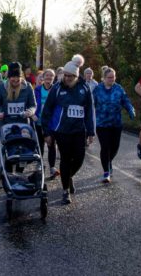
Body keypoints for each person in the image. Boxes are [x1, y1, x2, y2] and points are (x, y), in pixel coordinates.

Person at [41, 54, 96, 205]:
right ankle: (65, 191)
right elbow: (47, 111)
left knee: (79, 158)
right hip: (61, 130)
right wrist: (47, 132)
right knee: (65, 159)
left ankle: (68, 176)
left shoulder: (84, 88)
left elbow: (90, 111)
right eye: (65, 75)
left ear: (76, 76)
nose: (67, 78)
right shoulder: (57, 89)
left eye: (70, 76)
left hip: (79, 130)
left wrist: (91, 132)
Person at [92, 67, 135, 183]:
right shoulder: (97, 89)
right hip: (101, 124)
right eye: (109, 77)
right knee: (105, 147)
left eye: (113, 77)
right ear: (104, 78)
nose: (112, 79)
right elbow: (91, 105)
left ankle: (108, 161)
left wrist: (130, 110)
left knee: (115, 147)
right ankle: (106, 172)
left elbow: (125, 101)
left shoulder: (118, 88)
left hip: (116, 123)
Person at [0, 62, 36, 127]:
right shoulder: (1, 88)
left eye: (18, 77)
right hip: (5, 124)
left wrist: (30, 112)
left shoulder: (28, 87)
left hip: (23, 124)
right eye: (13, 77)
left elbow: (33, 105)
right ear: (9, 77)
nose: (15, 79)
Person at [33, 68, 59, 178]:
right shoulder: (38, 90)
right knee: (39, 144)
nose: (49, 78)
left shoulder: (56, 89)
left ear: (54, 78)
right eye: (47, 76)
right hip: (38, 121)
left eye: (51, 76)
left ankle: (52, 167)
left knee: (51, 144)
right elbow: (32, 103)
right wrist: (32, 113)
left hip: (51, 123)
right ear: (43, 77)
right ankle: (39, 164)